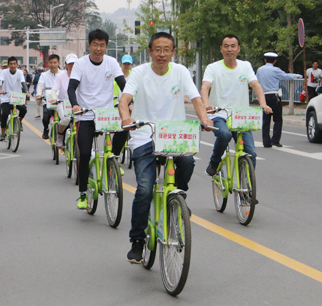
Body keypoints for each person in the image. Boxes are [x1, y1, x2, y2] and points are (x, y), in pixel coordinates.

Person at [119, 32, 214, 264]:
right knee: (144, 189)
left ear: (173, 52)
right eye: (157, 49)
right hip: (144, 135)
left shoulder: (180, 72)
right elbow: (124, 100)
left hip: (174, 135)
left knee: (188, 162)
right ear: (150, 51)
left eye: (167, 49)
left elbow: (196, 99)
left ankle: (178, 198)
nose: (162, 54)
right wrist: (125, 118)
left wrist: (205, 120)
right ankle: (137, 241)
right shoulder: (139, 72)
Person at [68, 29, 129, 209]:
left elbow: (123, 85)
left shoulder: (111, 63)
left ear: (106, 47)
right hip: (86, 114)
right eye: (95, 44)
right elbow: (72, 88)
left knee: (126, 127)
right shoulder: (80, 64)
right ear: (89, 46)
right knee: (85, 154)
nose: (98, 48)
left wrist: (128, 103)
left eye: (102, 45)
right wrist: (75, 105)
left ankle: (114, 159)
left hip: (107, 114)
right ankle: (82, 193)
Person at [201, 35, 271, 177]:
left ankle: (247, 187)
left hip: (240, 116)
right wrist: (206, 104)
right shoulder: (213, 68)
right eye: (226, 46)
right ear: (221, 49)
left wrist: (263, 103)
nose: (229, 49)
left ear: (238, 48)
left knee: (251, 152)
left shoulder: (245, 66)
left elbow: (255, 85)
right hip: (218, 114)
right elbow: (205, 87)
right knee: (225, 134)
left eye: (233, 46)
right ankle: (214, 161)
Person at [256, 52, 302, 148]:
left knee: (266, 119)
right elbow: (285, 76)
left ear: (265, 60)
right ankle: (275, 140)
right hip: (273, 95)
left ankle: (266, 142)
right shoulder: (275, 70)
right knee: (278, 119)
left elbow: (257, 82)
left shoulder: (260, 70)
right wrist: (297, 75)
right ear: (275, 61)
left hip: (263, 96)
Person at [0, 56, 29, 141]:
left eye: (14, 64)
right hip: (6, 97)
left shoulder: (20, 72)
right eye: (11, 64)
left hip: (17, 97)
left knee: (24, 109)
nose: (12, 65)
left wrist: (26, 91)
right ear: (8, 65)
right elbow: (1, 81)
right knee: (4, 114)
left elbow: (23, 83)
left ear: (17, 64)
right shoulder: (4, 72)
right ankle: (3, 133)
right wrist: (0, 89)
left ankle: (19, 122)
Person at [51, 53, 77, 147]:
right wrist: (54, 98)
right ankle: (60, 135)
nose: (72, 66)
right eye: (69, 64)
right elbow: (54, 89)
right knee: (66, 119)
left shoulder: (82, 75)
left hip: (78, 104)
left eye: (74, 63)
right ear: (65, 64)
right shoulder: (61, 76)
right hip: (63, 103)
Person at [36, 54, 62, 139]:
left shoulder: (63, 74)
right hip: (48, 100)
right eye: (51, 62)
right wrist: (39, 94)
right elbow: (40, 85)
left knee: (65, 118)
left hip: (61, 100)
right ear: (48, 64)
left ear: (59, 63)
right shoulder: (44, 75)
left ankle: (62, 134)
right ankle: (46, 129)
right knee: (46, 115)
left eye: (55, 62)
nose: (53, 64)